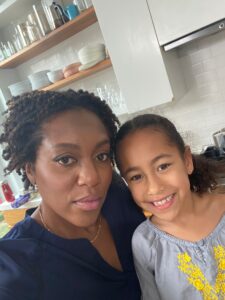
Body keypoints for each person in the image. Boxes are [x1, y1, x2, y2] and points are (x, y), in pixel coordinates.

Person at [0, 90, 145, 300]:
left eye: (101, 156)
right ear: (30, 169)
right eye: (65, 159)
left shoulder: (117, 194)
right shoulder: (17, 264)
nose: (92, 177)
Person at [115, 113, 225, 300]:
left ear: (187, 161)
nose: (154, 187)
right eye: (136, 177)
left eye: (163, 166)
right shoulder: (145, 243)